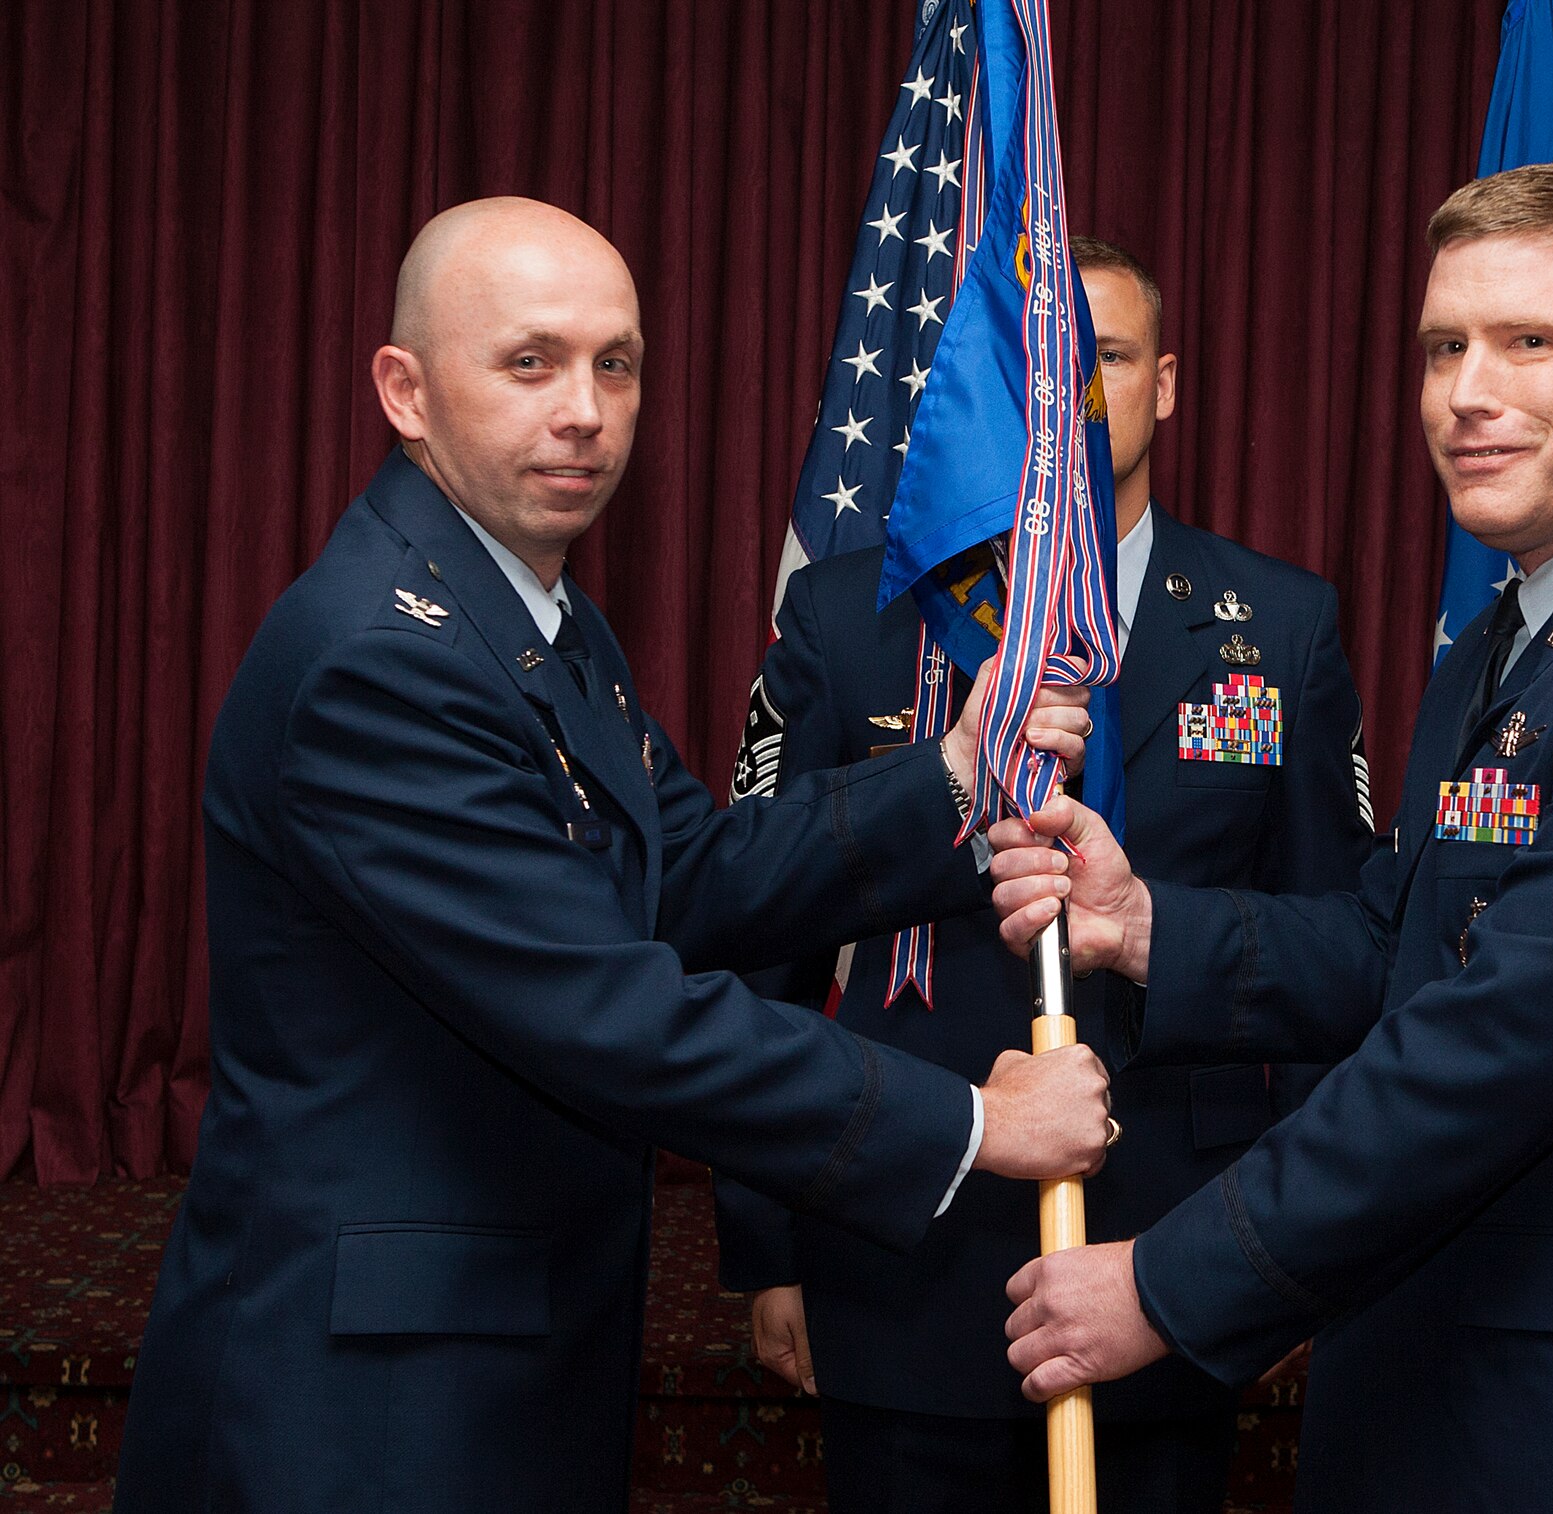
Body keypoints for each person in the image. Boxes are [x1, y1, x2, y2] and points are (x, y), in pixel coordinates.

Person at [113, 197, 1113, 1514]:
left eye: (616, 362)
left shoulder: (534, 611)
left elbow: (690, 875)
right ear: (404, 391)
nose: (584, 409)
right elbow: (611, 1009)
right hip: (370, 1396)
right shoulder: (384, 659)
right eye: (530, 362)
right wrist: (978, 1124)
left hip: (499, 1335)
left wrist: (953, 774)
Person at [987, 166, 1553, 1513]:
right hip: (1456, 1381)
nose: (1465, 391)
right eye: (1442, 347)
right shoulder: (1515, 637)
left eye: (1528, 341)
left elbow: (1495, 1046)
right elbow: (1404, 935)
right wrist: (1146, 926)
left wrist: (1167, 1278)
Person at [713, 237, 1374, 1513]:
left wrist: (1280, 1255)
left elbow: (1332, 943)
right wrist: (768, 1246)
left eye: (1107, 358)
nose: (1070, 394)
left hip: (1172, 1248)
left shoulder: (1279, 624)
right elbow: (761, 950)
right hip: (903, 1241)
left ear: (1166, 383)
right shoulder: (853, 618)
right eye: (1039, 362)